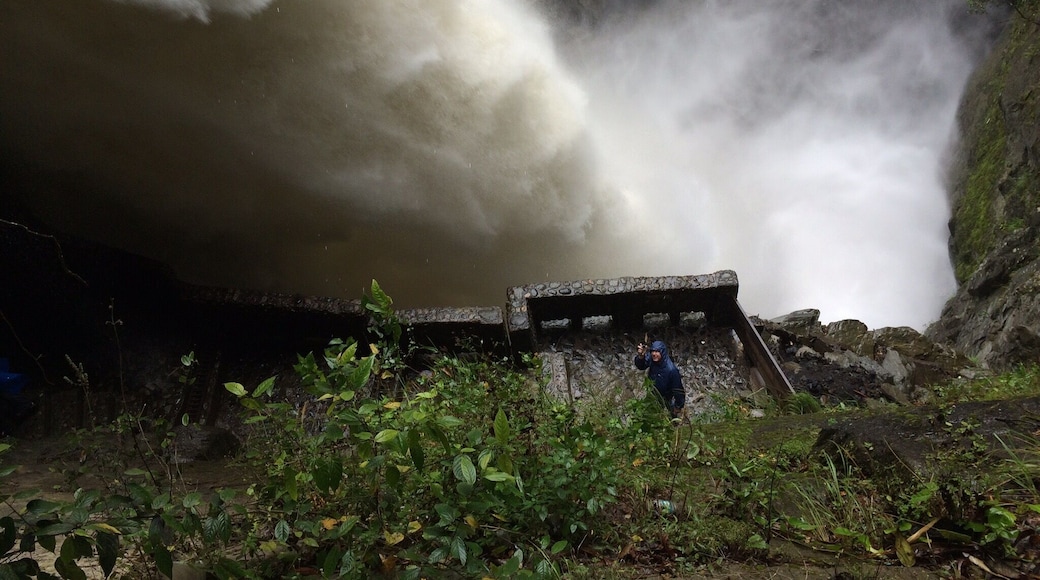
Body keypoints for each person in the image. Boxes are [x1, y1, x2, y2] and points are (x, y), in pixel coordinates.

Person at [634, 340, 685, 420]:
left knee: (672, 418)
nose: (654, 354)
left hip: (667, 397)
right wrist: (641, 357)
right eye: (653, 351)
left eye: (657, 352)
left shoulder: (671, 370)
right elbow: (641, 366)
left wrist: (678, 406)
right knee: (646, 417)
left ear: (662, 352)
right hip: (653, 394)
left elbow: (678, 390)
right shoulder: (652, 359)